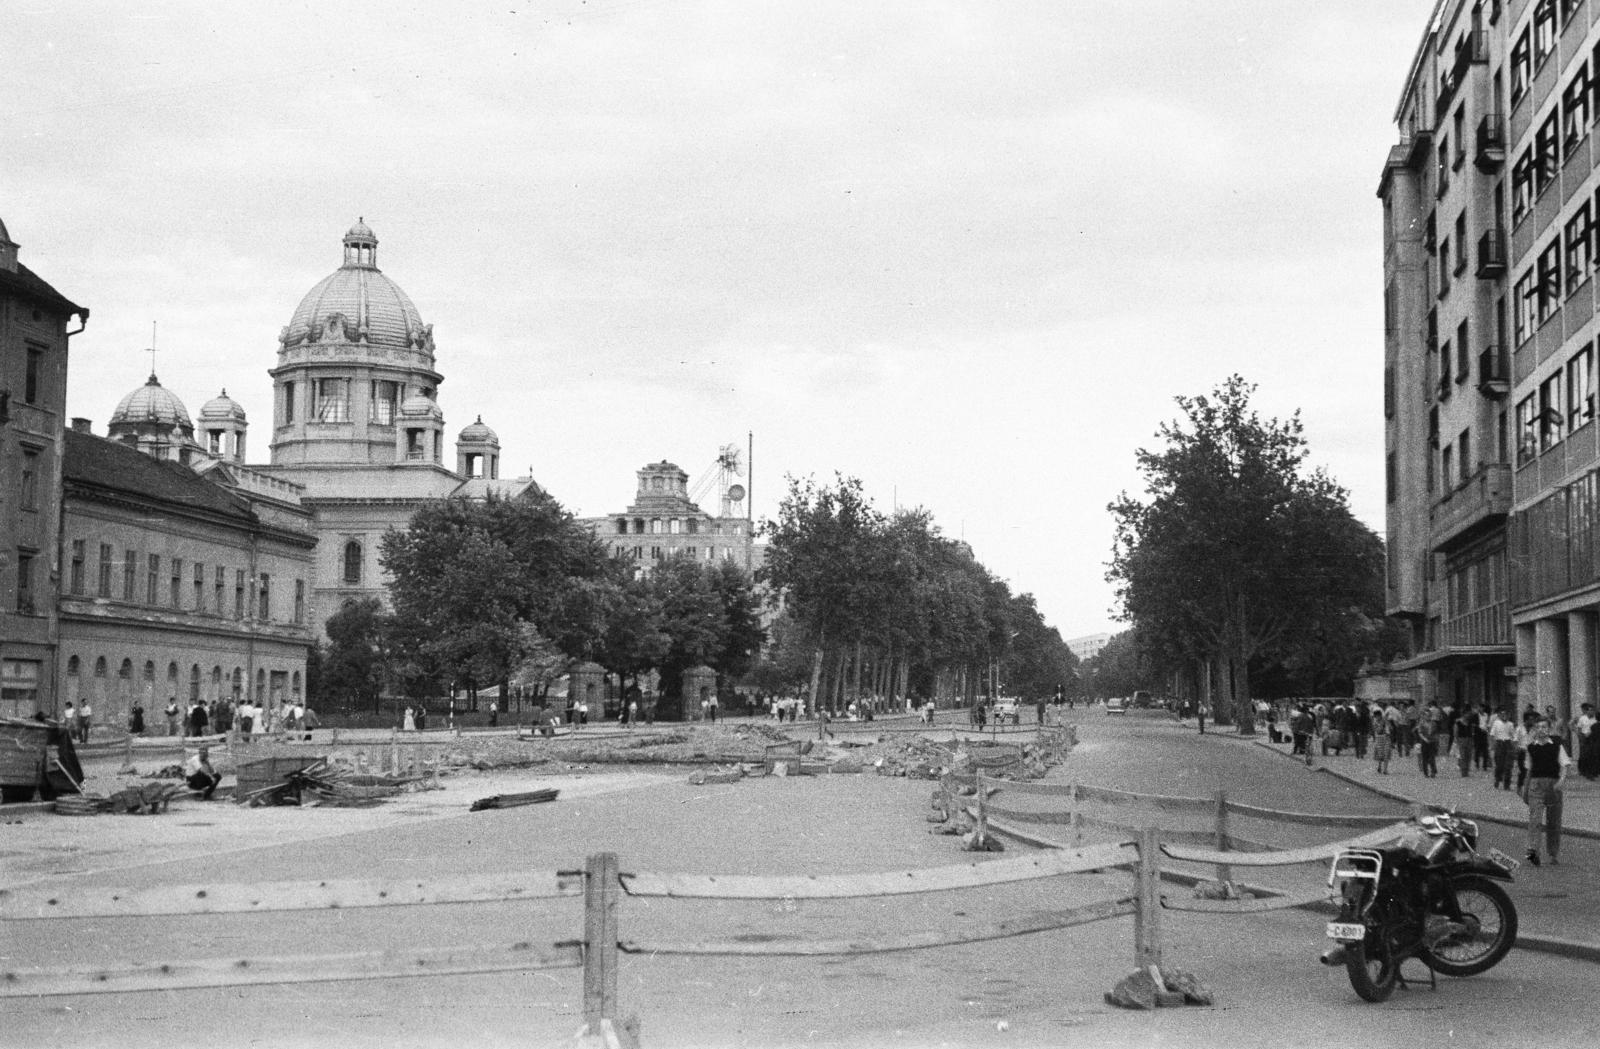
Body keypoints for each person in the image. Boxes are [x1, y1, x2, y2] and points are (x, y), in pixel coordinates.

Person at [1522, 718, 1570, 866]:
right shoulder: (1531, 748)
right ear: (1535, 730)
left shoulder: (1556, 746)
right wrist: (1525, 789)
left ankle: (1553, 853)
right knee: (1535, 818)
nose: (1541, 730)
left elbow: (1565, 764)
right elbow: (1529, 770)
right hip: (1536, 785)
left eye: (1544, 727)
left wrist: (1561, 780)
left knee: (1553, 821)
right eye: (1538, 727)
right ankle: (1533, 851)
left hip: (1553, 785)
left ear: (1549, 729)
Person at [1415, 702, 1440, 778]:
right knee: (1425, 758)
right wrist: (1424, 739)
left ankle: (1433, 771)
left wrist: (1436, 741)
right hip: (1424, 742)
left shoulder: (1434, 724)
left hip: (1432, 742)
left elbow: (1436, 733)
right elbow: (1420, 732)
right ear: (1424, 716)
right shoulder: (1422, 723)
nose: (1428, 717)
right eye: (1426, 715)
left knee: (1432, 757)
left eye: (1429, 715)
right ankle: (1426, 772)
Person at [1577, 702, 1600, 780]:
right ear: (1587, 711)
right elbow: (1579, 728)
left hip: (1594, 738)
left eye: (1593, 710)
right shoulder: (1582, 718)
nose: (1591, 712)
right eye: (1590, 710)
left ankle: (1593, 771)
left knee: (1592, 755)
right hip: (1585, 738)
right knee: (1583, 755)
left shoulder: (1596, 719)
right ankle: (1582, 770)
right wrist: (1580, 737)